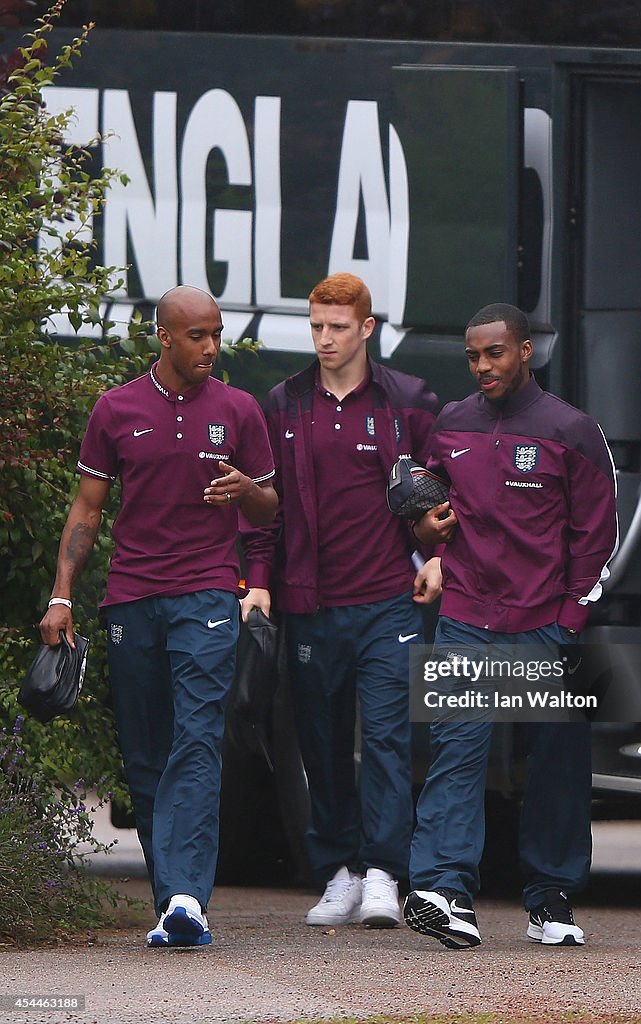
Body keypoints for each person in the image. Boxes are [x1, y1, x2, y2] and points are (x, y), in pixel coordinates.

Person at [38, 285, 278, 948]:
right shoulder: (116, 409)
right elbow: (87, 510)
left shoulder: (239, 410)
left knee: (197, 738)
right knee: (146, 754)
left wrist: (248, 491)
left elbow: (269, 511)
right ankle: (170, 897)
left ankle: (186, 899)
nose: (210, 347)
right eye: (197, 335)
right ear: (164, 337)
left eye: (217, 334)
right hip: (131, 600)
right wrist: (61, 596)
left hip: (205, 595)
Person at [403, 302, 618, 949]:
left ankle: (550, 900)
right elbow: (423, 504)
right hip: (467, 614)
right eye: (472, 356)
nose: (481, 366)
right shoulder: (451, 424)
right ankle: (444, 892)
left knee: (556, 761)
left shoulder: (572, 429)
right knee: (456, 755)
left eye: (493, 353)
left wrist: (570, 613)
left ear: (525, 351)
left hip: (546, 619)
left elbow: (597, 531)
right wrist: (429, 546)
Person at [241, 272, 440, 929]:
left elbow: (440, 501)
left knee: (384, 739)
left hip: (387, 599)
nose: (324, 339)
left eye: (336, 327)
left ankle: (384, 874)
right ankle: (338, 873)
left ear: (366, 328)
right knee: (319, 743)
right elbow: (265, 505)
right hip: (309, 602)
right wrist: (260, 580)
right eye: (316, 326)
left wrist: (438, 557)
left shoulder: (407, 401)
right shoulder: (284, 402)